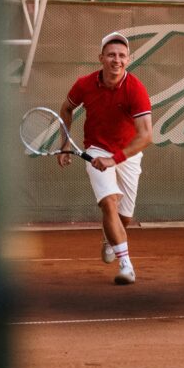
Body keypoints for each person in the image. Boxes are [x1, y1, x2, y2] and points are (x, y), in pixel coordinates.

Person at [58, 32, 153, 285]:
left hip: (128, 153)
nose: (116, 60)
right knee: (109, 202)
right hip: (96, 149)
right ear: (101, 58)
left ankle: (109, 237)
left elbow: (145, 136)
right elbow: (66, 108)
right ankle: (126, 266)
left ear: (128, 59)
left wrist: (117, 158)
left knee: (125, 217)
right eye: (111, 54)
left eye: (122, 55)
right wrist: (65, 141)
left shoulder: (136, 89)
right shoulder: (84, 84)